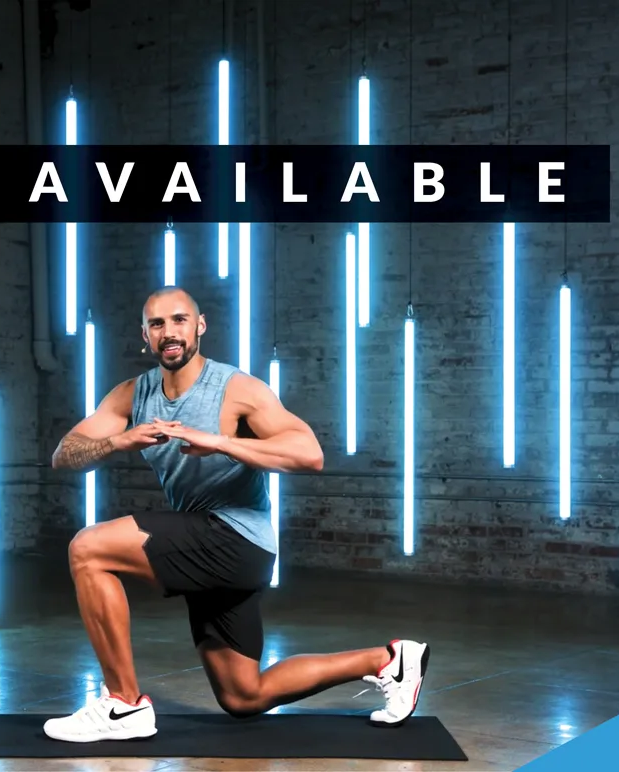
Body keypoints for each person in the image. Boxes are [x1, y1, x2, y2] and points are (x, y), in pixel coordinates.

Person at [43, 286, 430, 743]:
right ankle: (389, 660)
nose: (169, 332)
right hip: (206, 544)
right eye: (157, 324)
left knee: (88, 549)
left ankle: (123, 705)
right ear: (145, 336)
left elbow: (310, 453)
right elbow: (64, 453)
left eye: (179, 320)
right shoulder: (132, 394)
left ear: (200, 326)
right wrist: (118, 441)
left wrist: (221, 442)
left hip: (236, 538)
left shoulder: (236, 389)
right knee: (244, 695)